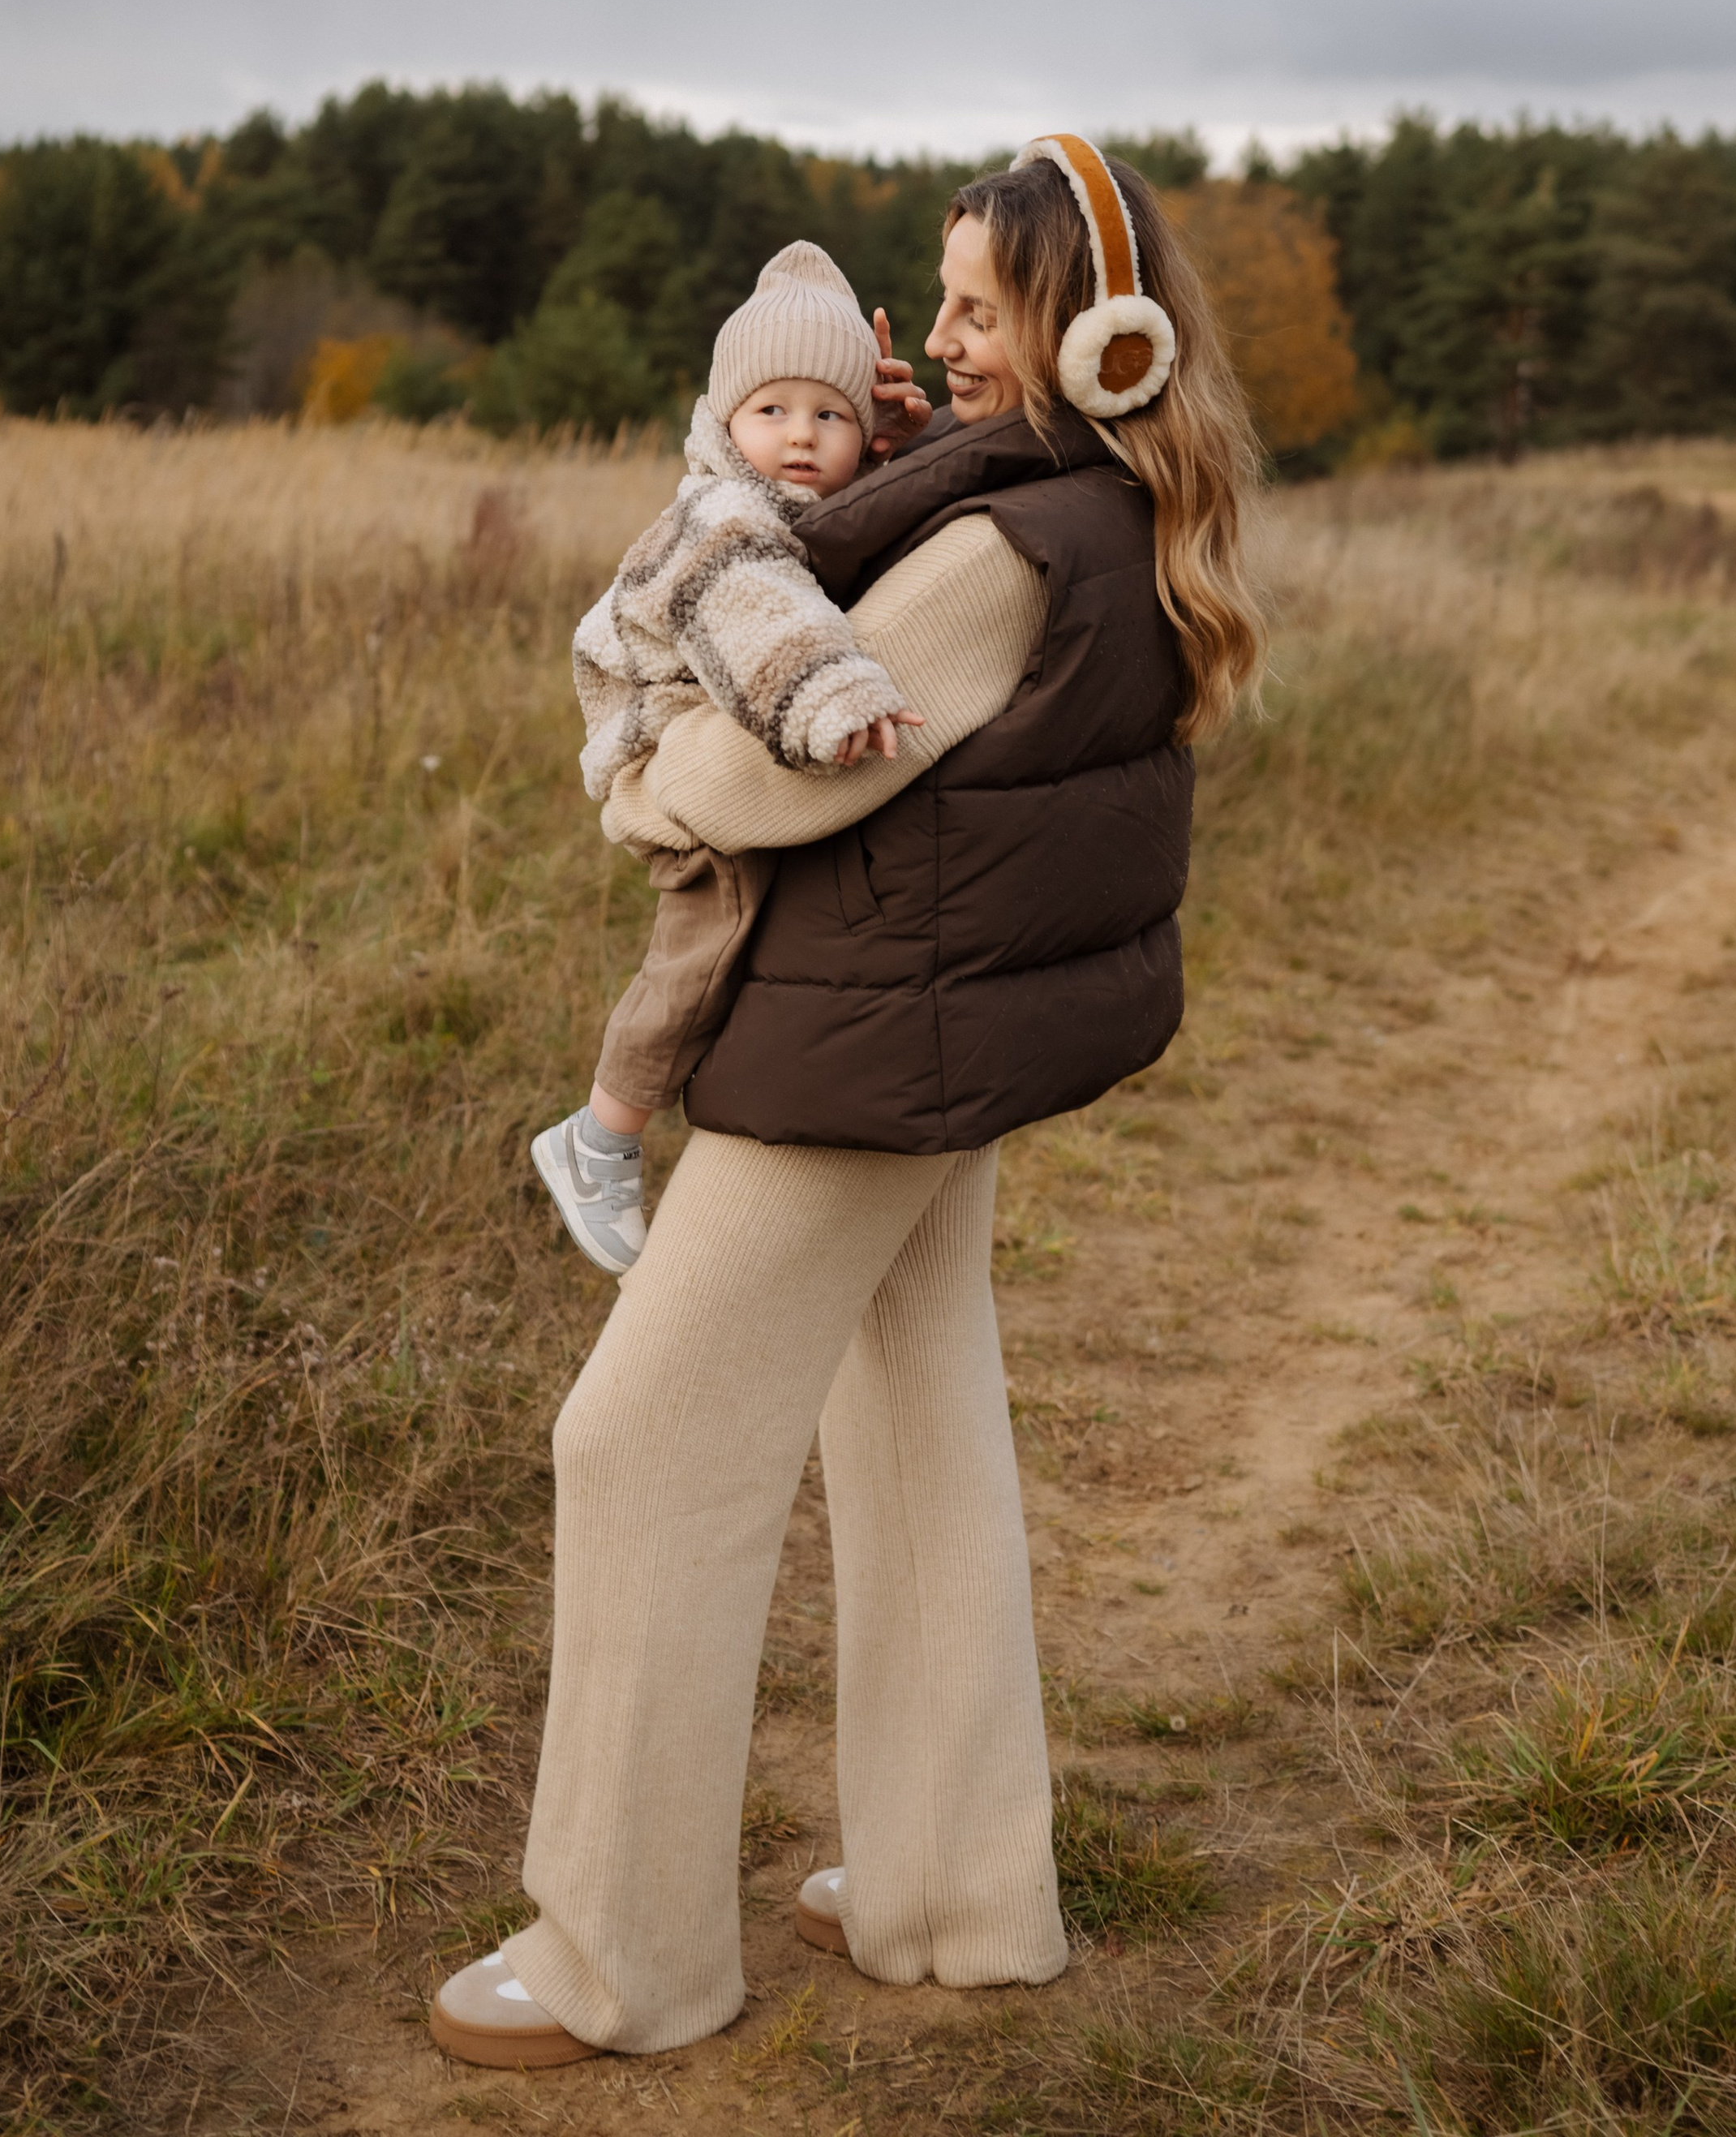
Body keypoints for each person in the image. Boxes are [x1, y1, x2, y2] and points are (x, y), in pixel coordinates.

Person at [429, 135, 1265, 2071]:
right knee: (916, 1422)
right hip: (938, 1040)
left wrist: (635, 789)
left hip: (858, 1049)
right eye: (939, 299)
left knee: (634, 1443)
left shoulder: (992, 546)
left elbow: (778, 774)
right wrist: (903, 417)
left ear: (1091, 329)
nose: (944, 339)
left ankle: (616, 1955)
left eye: (979, 307)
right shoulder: (1087, 497)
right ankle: (955, 1895)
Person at [531, 240, 924, 1280]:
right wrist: (831, 696)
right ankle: (601, 1134)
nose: (801, 435)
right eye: (773, 410)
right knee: (709, 933)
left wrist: (902, 459)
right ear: (722, 421)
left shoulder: (793, 498)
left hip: (719, 712)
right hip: (656, 732)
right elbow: (760, 617)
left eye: (830, 416)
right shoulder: (721, 514)